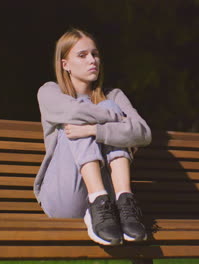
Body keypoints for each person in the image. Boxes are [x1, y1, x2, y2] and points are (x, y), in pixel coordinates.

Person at [34, 28, 152, 246]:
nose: (92, 60)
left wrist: (96, 131)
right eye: (82, 55)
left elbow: (143, 133)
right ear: (65, 64)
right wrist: (114, 118)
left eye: (95, 54)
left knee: (105, 103)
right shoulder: (50, 92)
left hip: (110, 210)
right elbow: (75, 113)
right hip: (64, 195)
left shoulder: (114, 95)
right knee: (84, 111)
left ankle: (124, 203)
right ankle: (97, 199)